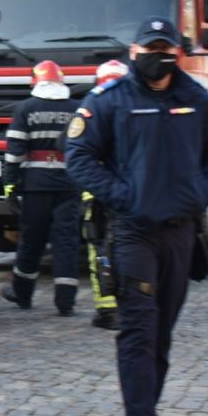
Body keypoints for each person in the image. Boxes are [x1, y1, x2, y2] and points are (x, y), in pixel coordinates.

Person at [65, 17, 208, 416]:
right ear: (134, 51)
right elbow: (79, 156)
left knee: (161, 334)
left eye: (165, 49)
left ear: (176, 52)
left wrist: (202, 193)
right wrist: (123, 197)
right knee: (139, 330)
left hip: (180, 231)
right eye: (150, 48)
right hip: (134, 231)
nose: (158, 56)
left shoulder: (195, 99)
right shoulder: (110, 100)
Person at [1, 60, 81, 316]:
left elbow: (15, 151)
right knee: (66, 241)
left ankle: (22, 293)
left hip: (35, 185)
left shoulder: (25, 108)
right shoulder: (76, 109)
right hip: (68, 183)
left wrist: (10, 184)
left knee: (32, 240)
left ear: (36, 82)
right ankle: (65, 301)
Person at [81, 60, 130, 331]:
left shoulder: (91, 111)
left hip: (99, 198)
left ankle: (108, 311)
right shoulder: (142, 112)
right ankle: (134, 306)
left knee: (100, 250)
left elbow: (68, 144)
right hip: (134, 198)